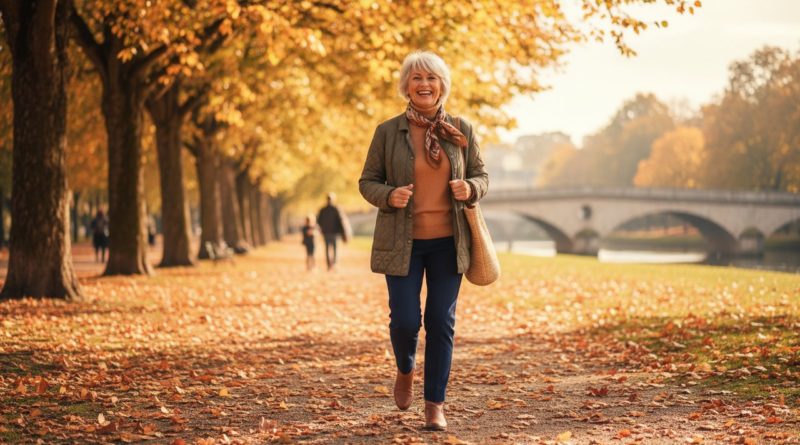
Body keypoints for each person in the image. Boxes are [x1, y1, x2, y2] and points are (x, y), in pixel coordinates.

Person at [358, 51, 488, 431]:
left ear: (442, 84)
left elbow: (482, 175)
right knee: (404, 321)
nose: (424, 84)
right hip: (403, 242)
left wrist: (471, 188)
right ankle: (405, 369)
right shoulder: (387, 131)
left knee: (440, 321)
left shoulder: (461, 129)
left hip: (450, 242)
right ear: (406, 86)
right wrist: (388, 195)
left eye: (431, 78)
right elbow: (367, 180)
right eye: (416, 78)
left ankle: (435, 405)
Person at [316, 193, 348, 271]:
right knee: (335, 249)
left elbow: (318, 221)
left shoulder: (322, 210)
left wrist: (322, 229)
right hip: (335, 233)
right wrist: (344, 232)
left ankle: (329, 265)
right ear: (333, 200)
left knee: (327, 249)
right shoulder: (336, 209)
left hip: (326, 232)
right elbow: (341, 221)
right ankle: (334, 264)